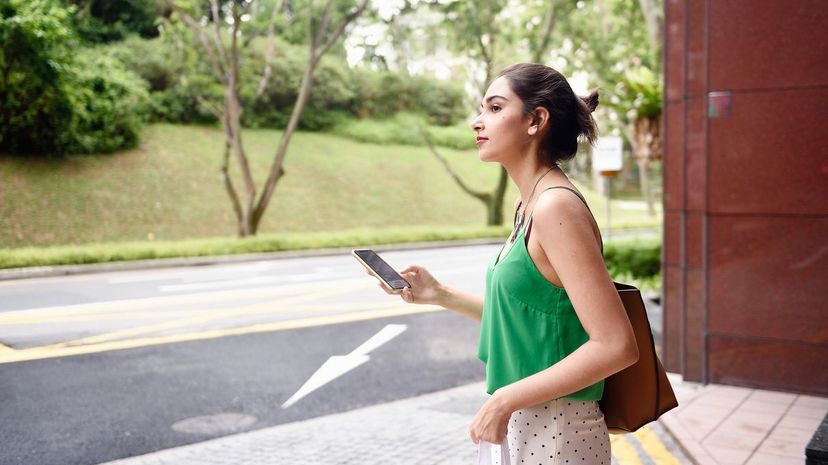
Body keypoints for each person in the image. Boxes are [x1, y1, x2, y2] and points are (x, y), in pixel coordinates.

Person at [374, 63, 639, 464]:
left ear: (536, 120)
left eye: (495, 108)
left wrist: (504, 400)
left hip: (559, 431)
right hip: (528, 421)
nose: (476, 122)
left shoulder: (555, 207)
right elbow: (528, 320)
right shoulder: (529, 205)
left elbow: (616, 345)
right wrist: (440, 294)